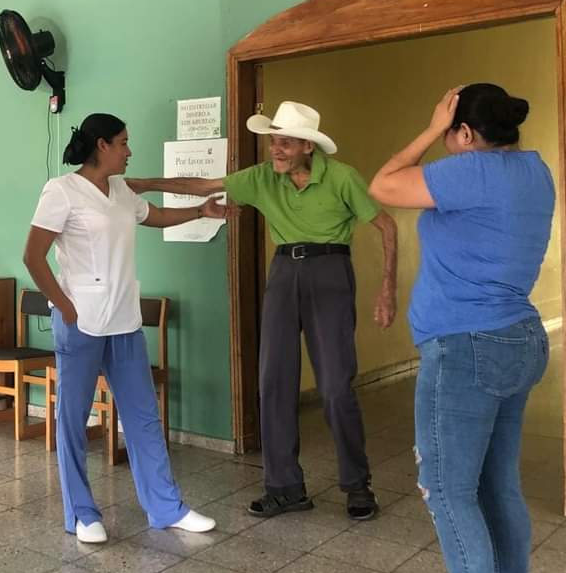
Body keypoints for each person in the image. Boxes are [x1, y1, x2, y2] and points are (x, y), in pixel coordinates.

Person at [129, 101, 398, 521]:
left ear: (308, 147)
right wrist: (143, 183)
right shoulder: (261, 178)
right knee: (273, 382)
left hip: (330, 272)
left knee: (334, 386)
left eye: (285, 143)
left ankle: (357, 484)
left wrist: (387, 289)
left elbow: (387, 225)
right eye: (273, 141)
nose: (275, 149)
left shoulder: (343, 178)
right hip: (283, 272)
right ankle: (285, 487)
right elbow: (203, 186)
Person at [369, 85, 554, 573]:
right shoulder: (533, 170)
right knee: (498, 488)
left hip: (466, 347)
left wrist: (428, 129)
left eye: (450, 132)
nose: (445, 143)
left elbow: (381, 183)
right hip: (520, 337)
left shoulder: (469, 171)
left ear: (466, 135)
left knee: (448, 491)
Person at [23, 113, 220, 543]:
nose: (130, 151)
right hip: (81, 323)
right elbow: (33, 256)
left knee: (144, 418)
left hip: (124, 320)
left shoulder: (121, 190)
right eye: (124, 143)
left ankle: (166, 508)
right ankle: (82, 514)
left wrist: (200, 211)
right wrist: (63, 306)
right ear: (101, 145)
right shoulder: (61, 191)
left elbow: (156, 217)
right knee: (73, 419)